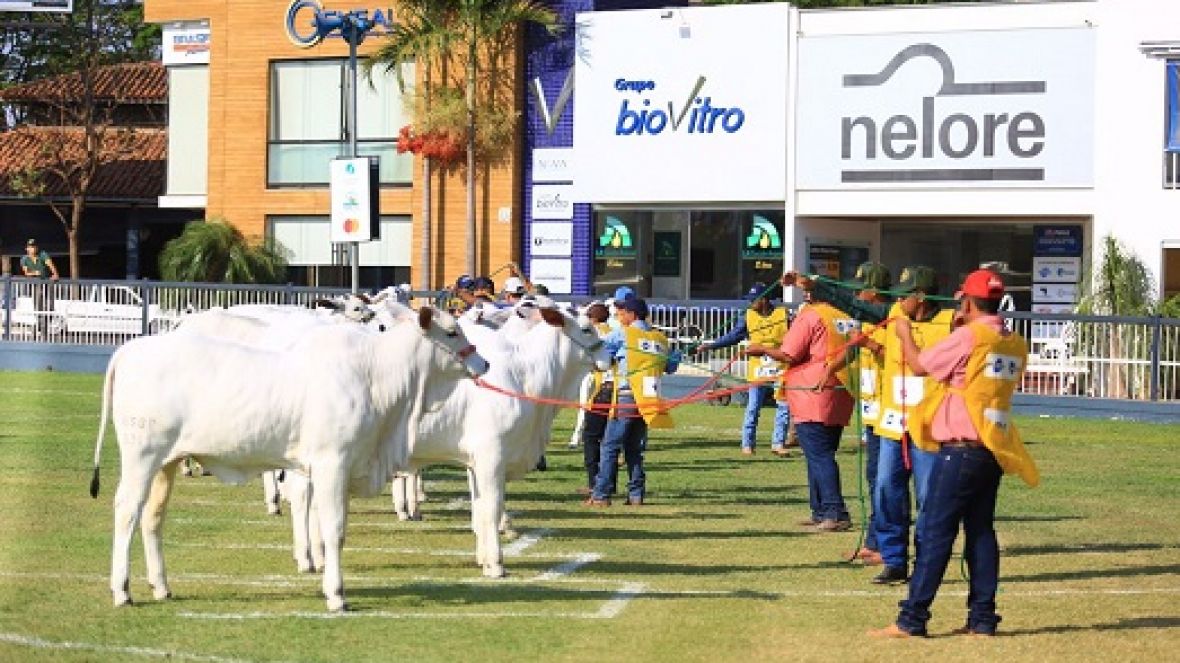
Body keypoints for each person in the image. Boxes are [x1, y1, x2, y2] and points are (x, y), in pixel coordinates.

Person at [870, 269, 1039, 638]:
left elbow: (920, 366)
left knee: (935, 531)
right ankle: (982, 618)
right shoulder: (1014, 342)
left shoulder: (969, 336)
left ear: (967, 302)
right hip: (993, 446)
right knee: (980, 531)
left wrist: (903, 334)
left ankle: (912, 619)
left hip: (961, 448)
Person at [868, 266, 956, 585]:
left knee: (929, 497)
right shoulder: (894, 313)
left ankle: (925, 563)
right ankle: (893, 560)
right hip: (893, 424)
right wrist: (815, 287)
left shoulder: (950, 324)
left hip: (929, 426)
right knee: (885, 488)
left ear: (920, 297)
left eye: (904, 295)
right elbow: (857, 306)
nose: (898, 301)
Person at [748, 274, 857, 531]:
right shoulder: (844, 316)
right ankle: (820, 511)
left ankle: (834, 512)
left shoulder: (810, 316)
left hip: (812, 394)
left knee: (819, 456)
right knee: (820, 454)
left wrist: (761, 349)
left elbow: (789, 354)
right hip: (839, 391)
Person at [585, 297, 679, 507]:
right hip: (649, 400)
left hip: (627, 396)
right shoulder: (660, 339)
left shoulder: (624, 333)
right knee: (634, 448)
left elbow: (600, 352)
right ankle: (636, 495)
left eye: (622, 313)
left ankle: (601, 495)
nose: (620, 316)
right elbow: (671, 366)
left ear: (632, 314)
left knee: (610, 446)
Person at [693, 282, 792, 457]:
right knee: (753, 407)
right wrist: (711, 346)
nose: (750, 303)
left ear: (764, 300)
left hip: (781, 367)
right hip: (757, 369)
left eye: (754, 300)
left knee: (783, 407)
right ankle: (747, 444)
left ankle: (778, 443)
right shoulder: (747, 316)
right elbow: (734, 336)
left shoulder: (784, 315)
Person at [577, 302, 617, 494]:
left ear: (592, 318)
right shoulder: (615, 332)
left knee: (591, 437)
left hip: (602, 391)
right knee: (610, 440)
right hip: (618, 390)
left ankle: (594, 483)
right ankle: (610, 482)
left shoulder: (594, 335)